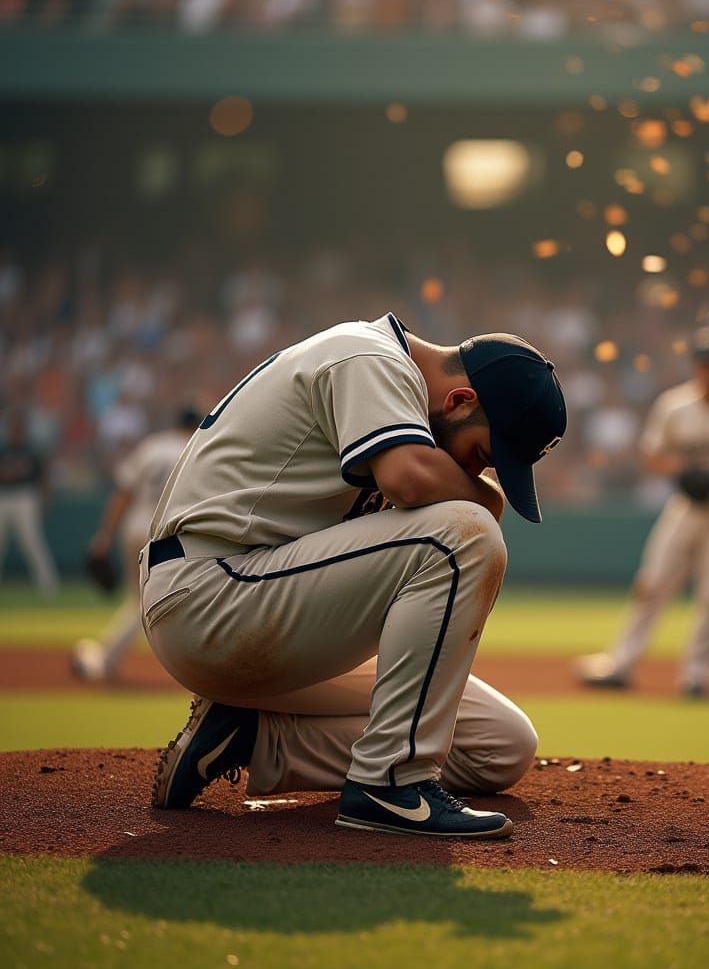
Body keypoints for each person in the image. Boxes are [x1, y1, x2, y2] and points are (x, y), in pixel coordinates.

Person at [145, 313, 566, 840]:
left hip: (268, 598)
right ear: (459, 401)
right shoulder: (370, 357)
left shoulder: (392, 379)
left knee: (500, 744)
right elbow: (408, 478)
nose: (478, 474)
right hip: (211, 594)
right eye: (482, 455)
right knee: (466, 531)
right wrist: (486, 498)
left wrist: (479, 491)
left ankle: (250, 736)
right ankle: (388, 782)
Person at [576, 328, 709, 697]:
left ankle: (696, 675)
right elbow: (653, 454)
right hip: (686, 507)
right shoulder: (675, 405)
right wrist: (682, 472)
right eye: (703, 365)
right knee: (652, 582)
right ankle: (621, 664)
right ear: (696, 367)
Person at [71, 407, 201, 682]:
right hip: (163, 534)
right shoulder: (194, 448)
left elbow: (123, 492)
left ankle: (105, 657)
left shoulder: (152, 446)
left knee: (139, 601)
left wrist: (105, 535)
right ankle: (105, 659)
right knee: (147, 604)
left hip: (132, 528)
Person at [0, 409, 59, 595]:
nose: (16, 431)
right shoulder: (3, 449)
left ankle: (48, 585)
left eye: (19, 428)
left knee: (32, 542)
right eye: (14, 428)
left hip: (25, 496)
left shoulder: (31, 450)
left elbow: (43, 478)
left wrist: (44, 500)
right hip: (4, 495)